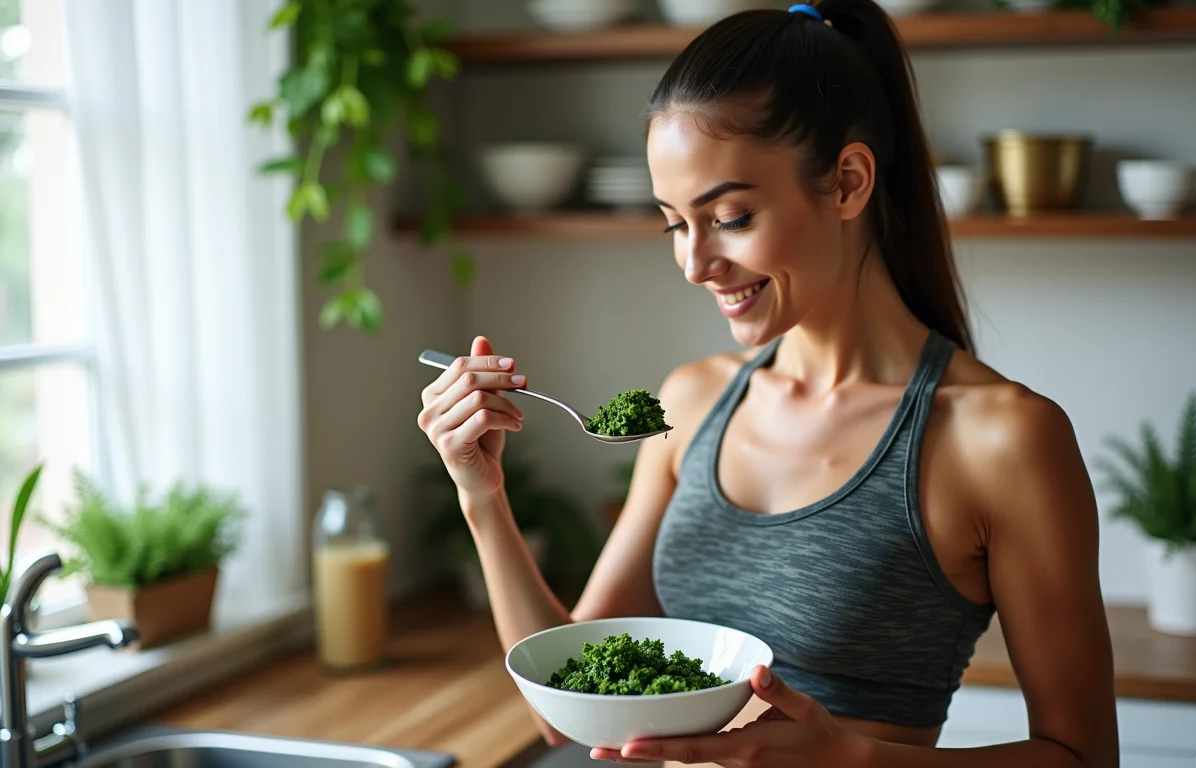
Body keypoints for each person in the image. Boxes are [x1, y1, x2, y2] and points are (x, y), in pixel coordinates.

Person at [417, 1, 1118, 765]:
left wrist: (851, 759)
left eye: (731, 216)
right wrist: (480, 495)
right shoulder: (689, 403)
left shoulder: (1000, 440)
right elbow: (569, 711)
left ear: (848, 183)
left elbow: (1082, 756)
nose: (693, 263)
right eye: (674, 223)